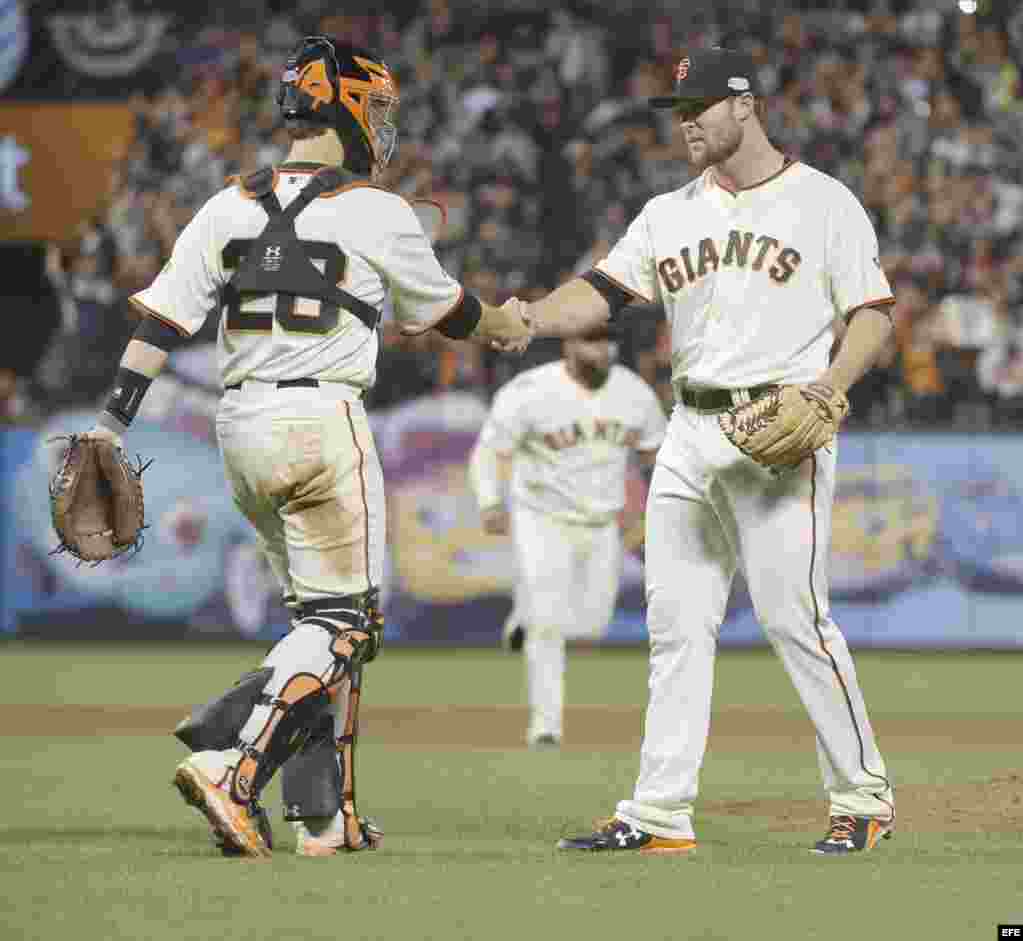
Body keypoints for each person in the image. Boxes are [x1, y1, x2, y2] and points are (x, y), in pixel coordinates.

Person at [81, 35, 530, 858]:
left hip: (240, 429)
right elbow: (451, 312)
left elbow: (159, 324)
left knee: (318, 624)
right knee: (347, 626)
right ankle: (231, 756)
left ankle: (325, 819)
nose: (382, 123)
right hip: (323, 419)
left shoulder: (226, 203)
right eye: (377, 106)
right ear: (347, 105)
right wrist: (506, 322)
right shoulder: (376, 210)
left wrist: (111, 423)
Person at [523, 47, 897, 855]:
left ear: (746, 105)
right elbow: (601, 293)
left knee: (795, 618)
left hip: (776, 428)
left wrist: (830, 388)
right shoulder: (668, 213)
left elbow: (872, 313)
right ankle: (661, 810)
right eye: (678, 110)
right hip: (688, 431)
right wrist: (526, 317)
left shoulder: (823, 202)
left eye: (699, 106)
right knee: (676, 626)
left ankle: (863, 796)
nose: (686, 121)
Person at [467, 326, 666, 748]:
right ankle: (546, 726)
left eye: (608, 339)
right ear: (569, 344)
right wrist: (489, 501)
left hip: (602, 523)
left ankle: (523, 617)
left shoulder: (634, 393)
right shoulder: (531, 390)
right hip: (541, 517)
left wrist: (662, 511)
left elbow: (656, 456)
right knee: (548, 623)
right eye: (591, 339)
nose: (603, 348)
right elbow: (490, 450)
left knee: (591, 625)